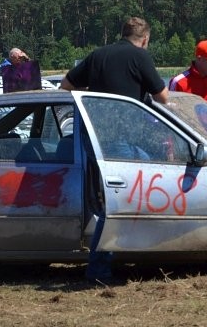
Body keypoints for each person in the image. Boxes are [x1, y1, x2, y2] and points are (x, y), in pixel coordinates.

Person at [60, 16, 168, 285]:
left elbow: (66, 85)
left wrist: (97, 96)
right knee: (123, 201)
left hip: (95, 136)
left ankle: (131, 253)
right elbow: (163, 97)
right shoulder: (139, 56)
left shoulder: (98, 55)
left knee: (120, 199)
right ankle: (99, 268)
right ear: (145, 39)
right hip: (122, 138)